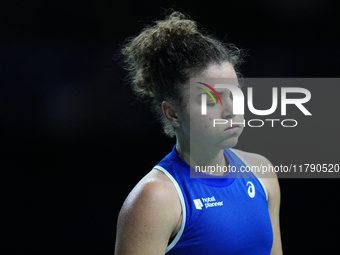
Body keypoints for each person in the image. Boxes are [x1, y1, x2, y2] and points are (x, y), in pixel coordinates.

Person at [115, 11, 282, 255]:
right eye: (210, 100)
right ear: (173, 114)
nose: (230, 110)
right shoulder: (155, 199)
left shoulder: (261, 173)